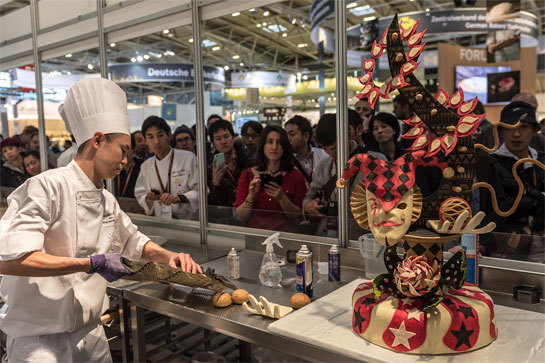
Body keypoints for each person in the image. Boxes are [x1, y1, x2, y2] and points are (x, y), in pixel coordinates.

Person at [0, 77, 201, 363]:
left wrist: (169, 256)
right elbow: (12, 260)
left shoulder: (106, 199)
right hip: (40, 344)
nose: (126, 160)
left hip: (92, 335)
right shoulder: (46, 187)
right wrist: (91, 263)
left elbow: (134, 241)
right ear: (97, 140)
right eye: (123, 149)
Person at [302, 114, 386, 237]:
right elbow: (309, 197)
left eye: (335, 148)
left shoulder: (375, 161)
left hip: (363, 237)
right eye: (326, 149)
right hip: (327, 234)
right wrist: (309, 206)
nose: (331, 153)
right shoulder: (324, 165)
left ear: (348, 134)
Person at [481, 101, 544, 261]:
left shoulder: (541, 160)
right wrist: (538, 199)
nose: (516, 134)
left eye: (523, 127)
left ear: (535, 131)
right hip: (507, 248)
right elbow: (501, 207)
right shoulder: (491, 164)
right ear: (501, 132)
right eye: (510, 127)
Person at [234, 125, 307, 232]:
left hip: (286, 236)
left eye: (279, 142)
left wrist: (282, 198)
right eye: (270, 142)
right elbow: (240, 217)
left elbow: (299, 218)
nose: (274, 147)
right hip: (256, 235)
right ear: (263, 145)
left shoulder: (296, 176)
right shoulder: (248, 175)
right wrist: (251, 196)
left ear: (285, 146)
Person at [134, 116, 199, 220]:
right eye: (150, 137)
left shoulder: (188, 158)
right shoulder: (146, 166)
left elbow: (200, 191)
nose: (156, 141)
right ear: (145, 140)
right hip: (160, 222)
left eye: (160, 135)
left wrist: (178, 198)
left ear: (169, 135)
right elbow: (140, 194)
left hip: (188, 223)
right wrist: (148, 198)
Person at [207, 120, 253, 223]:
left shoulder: (248, 162)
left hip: (250, 216)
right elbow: (213, 207)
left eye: (226, 136)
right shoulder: (209, 169)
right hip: (226, 221)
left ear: (233, 137)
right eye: (218, 139)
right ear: (213, 143)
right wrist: (215, 183)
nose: (223, 141)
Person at [284, 115, 327, 181]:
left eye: (292, 134)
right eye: (285, 135)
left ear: (306, 136)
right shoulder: (284, 160)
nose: (287, 138)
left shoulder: (324, 155)